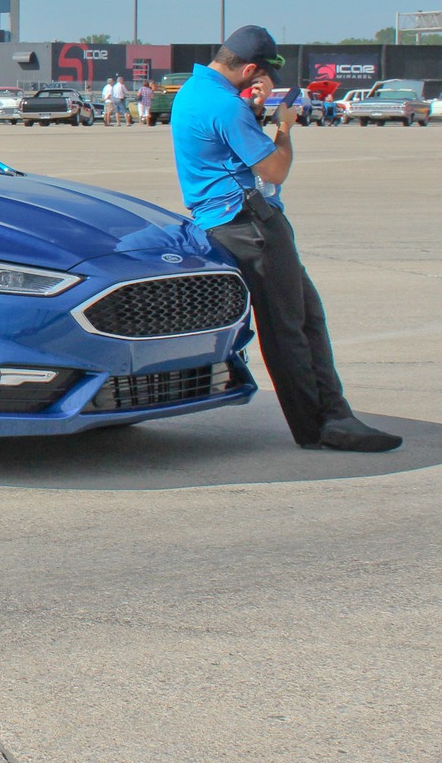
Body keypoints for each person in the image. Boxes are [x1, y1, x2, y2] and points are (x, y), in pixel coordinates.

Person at [170, 25, 400, 452]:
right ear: (253, 69)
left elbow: (224, 149)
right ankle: (321, 425)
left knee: (305, 317)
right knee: (288, 328)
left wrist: (255, 113)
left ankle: (335, 413)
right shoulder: (224, 105)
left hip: (227, 221)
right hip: (250, 225)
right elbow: (274, 170)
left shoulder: (195, 92)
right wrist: (284, 127)